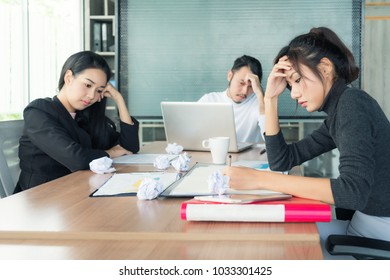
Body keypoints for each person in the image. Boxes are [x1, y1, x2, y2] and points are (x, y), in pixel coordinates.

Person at [223, 27, 390, 256]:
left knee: (277, 251)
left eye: (298, 80)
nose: (293, 93)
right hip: (365, 225)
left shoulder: (352, 104)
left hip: (378, 233)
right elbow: (282, 160)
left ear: (325, 68)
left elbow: (352, 192)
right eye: (290, 86)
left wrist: (260, 179)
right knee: (272, 239)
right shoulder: (338, 112)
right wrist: (270, 99)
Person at [15, 51, 140, 193]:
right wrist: (109, 153)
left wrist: (119, 99)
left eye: (99, 90)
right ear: (68, 78)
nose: (92, 95)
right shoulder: (39, 110)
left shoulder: (85, 116)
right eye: (87, 85)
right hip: (40, 198)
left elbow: (130, 147)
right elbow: (76, 158)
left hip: (76, 191)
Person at [198, 55, 265, 143]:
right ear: (230, 75)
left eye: (251, 87)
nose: (245, 91)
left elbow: (271, 141)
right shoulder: (209, 101)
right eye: (241, 83)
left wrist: (261, 95)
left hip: (248, 156)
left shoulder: (259, 103)